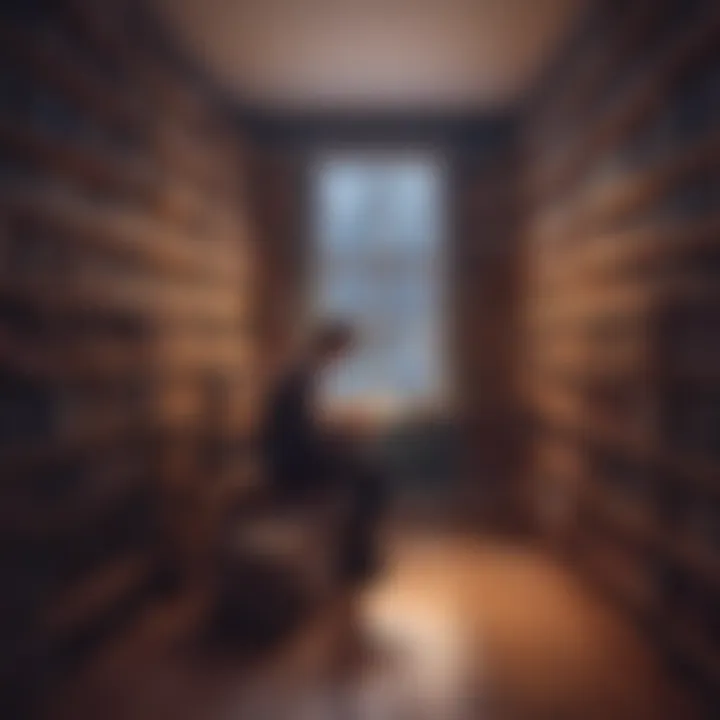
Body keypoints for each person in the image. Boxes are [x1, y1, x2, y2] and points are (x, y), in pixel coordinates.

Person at [261, 320, 385, 582]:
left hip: (297, 454)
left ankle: (356, 555)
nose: (340, 360)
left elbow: (307, 425)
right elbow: (300, 435)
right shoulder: (301, 377)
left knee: (366, 471)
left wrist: (335, 432)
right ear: (328, 347)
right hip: (291, 463)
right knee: (369, 478)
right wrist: (337, 436)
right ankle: (356, 559)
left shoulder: (304, 374)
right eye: (340, 352)